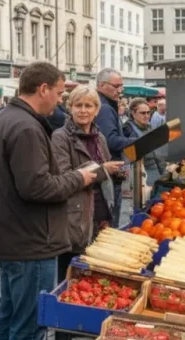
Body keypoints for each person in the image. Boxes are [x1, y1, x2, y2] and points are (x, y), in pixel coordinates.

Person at [0, 61, 98, 340]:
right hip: (30, 240)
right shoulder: (27, 127)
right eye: (61, 92)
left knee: (11, 320)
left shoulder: (4, 118)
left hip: (9, 235)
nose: (62, 100)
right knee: (28, 326)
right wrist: (79, 177)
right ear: (43, 88)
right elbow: (36, 188)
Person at [51, 86, 124, 283]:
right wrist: (103, 170)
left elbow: (106, 173)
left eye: (89, 106)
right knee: (70, 271)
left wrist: (117, 174)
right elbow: (64, 177)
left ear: (96, 110)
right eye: (78, 105)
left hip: (101, 211)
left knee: (95, 271)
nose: (83, 110)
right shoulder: (60, 137)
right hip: (75, 214)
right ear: (70, 108)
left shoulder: (99, 137)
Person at [94, 68, 134, 227]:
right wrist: (135, 141)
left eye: (121, 86)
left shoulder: (107, 105)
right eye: (116, 86)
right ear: (102, 85)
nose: (120, 90)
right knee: (112, 219)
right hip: (110, 170)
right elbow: (109, 140)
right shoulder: (104, 108)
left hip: (110, 170)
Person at [123, 98, 166, 186]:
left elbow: (157, 152)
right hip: (139, 173)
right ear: (133, 113)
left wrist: (163, 172)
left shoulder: (149, 127)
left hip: (154, 169)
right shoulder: (127, 130)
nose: (146, 116)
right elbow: (127, 157)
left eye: (148, 112)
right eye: (142, 113)